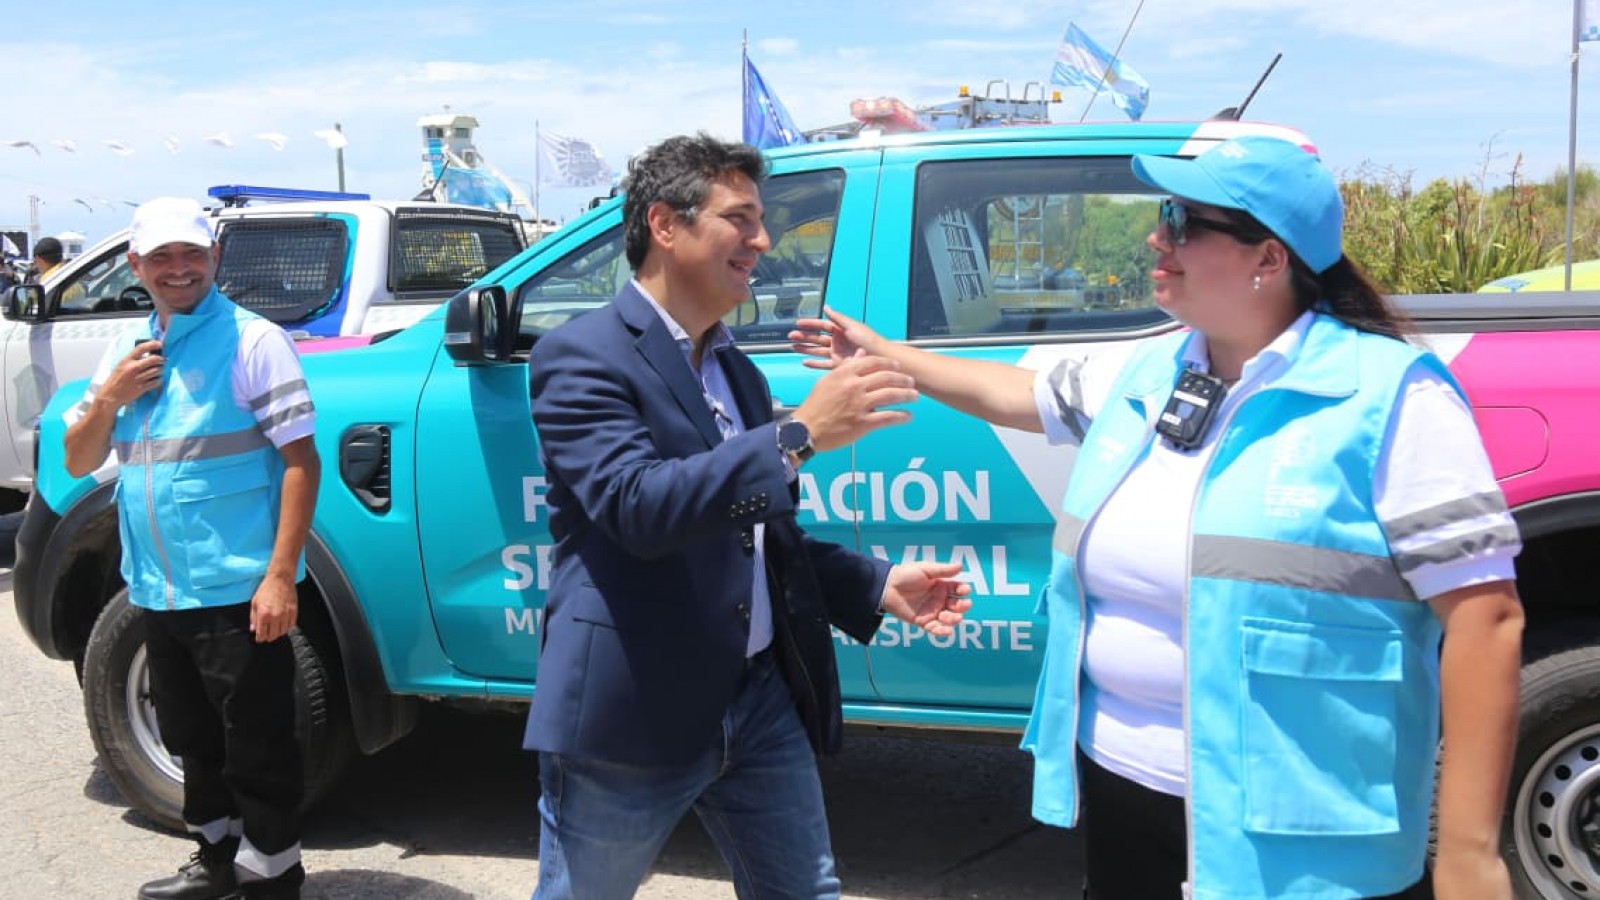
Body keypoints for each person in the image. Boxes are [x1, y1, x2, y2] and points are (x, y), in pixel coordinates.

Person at [792, 135, 1524, 899]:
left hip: (1302, 828)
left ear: (1268, 258)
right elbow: (1013, 394)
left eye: (1182, 221)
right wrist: (883, 353)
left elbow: (1487, 620)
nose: (1155, 237)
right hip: (1124, 792)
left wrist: (1470, 854)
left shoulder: (1389, 396)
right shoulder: (1152, 368)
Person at [523, 132, 974, 900]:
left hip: (759, 699)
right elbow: (637, 507)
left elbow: (759, 535)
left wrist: (873, 584)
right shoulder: (581, 355)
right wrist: (798, 437)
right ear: (665, 225)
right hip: (637, 706)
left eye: (761, 222)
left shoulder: (732, 366)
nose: (762, 241)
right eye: (740, 219)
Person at [63, 197, 320, 900]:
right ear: (135, 265)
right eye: (162, 257)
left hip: (238, 589)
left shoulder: (254, 341)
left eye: (192, 254)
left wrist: (280, 578)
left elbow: (301, 463)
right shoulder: (125, 350)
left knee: (258, 745)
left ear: (214, 258)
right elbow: (79, 458)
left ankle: (273, 878)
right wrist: (110, 398)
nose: (179, 269)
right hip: (156, 587)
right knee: (190, 739)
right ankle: (216, 860)